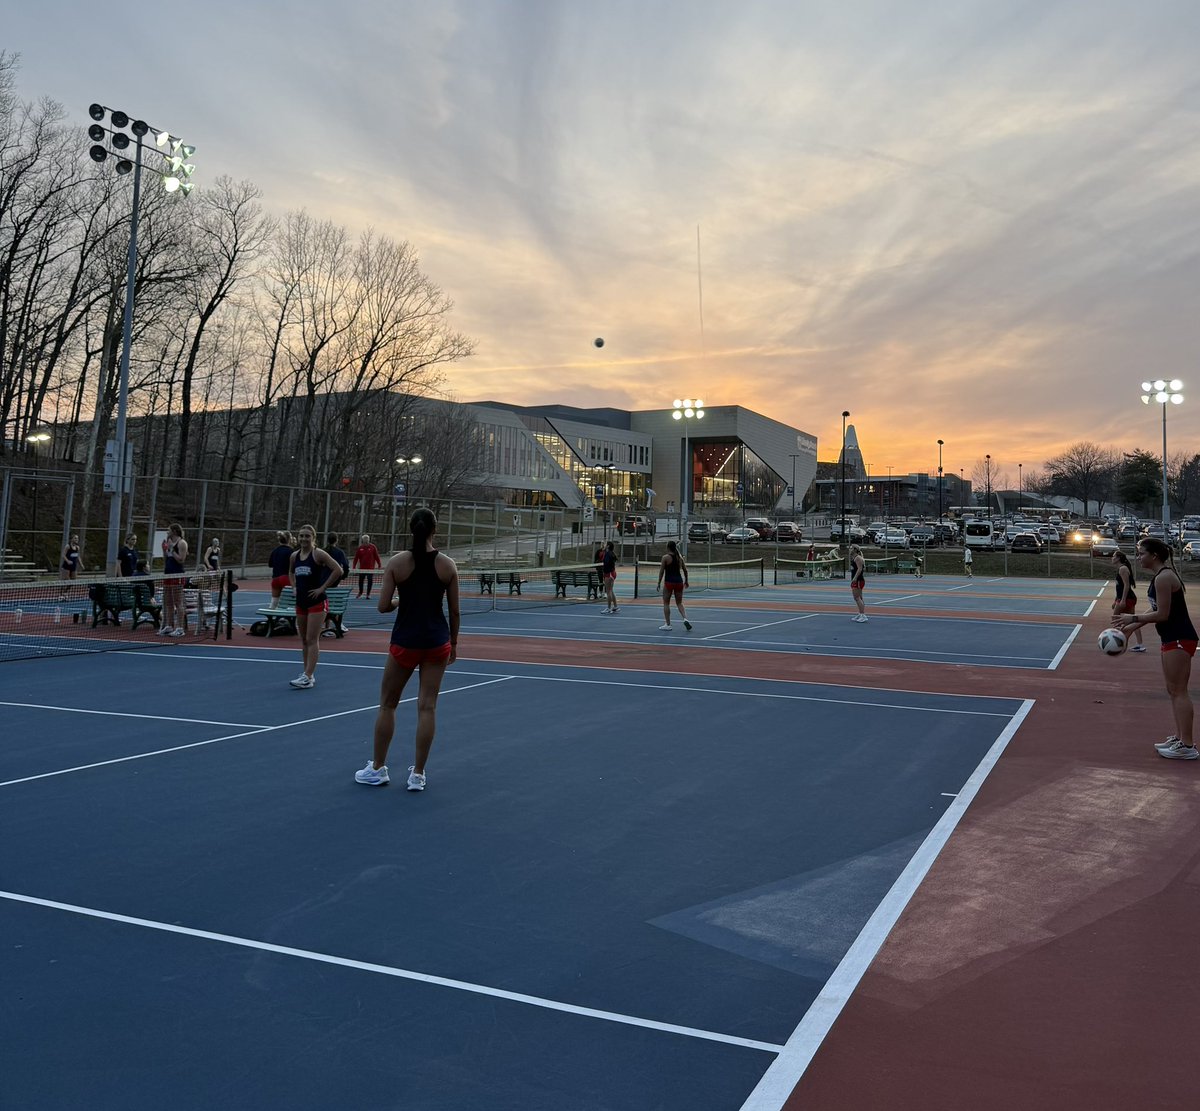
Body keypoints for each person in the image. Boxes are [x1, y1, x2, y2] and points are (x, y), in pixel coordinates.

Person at [355, 508, 460, 790]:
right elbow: (454, 611)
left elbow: (382, 606)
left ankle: (378, 768)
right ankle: (418, 774)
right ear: (435, 530)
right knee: (427, 707)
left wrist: (400, 602)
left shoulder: (397, 563)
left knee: (388, 704)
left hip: (405, 642)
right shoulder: (447, 565)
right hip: (436, 642)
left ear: (411, 529)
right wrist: (454, 643)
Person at [1113, 537, 1198, 760]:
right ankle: (1180, 738)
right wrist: (1130, 628)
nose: (1138, 557)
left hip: (1179, 638)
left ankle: (1187, 745)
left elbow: (1163, 615)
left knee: (1179, 690)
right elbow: (1155, 610)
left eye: (1141, 553)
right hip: (1171, 638)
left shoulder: (1164, 578)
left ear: (1154, 556)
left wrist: (1133, 617)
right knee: (1173, 690)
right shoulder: (1160, 577)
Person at [287, 524, 343, 689]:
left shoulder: (318, 554)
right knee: (304, 639)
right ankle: (307, 674)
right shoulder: (294, 556)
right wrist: (294, 586)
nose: (304, 539)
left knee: (312, 639)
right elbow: (291, 572)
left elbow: (338, 570)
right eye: (301, 536)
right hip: (301, 602)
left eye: (307, 536)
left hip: (317, 602)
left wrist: (322, 588)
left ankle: (308, 675)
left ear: (313, 538)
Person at [1110, 550, 1145, 652]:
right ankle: (1140, 644)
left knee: (1115, 620)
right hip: (1125, 598)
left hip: (1127, 598)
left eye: (1114, 556)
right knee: (1132, 621)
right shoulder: (1121, 568)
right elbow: (1119, 588)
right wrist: (1116, 600)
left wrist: (1123, 600)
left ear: (1118, 558)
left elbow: (1126, 585)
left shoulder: (1123, 569)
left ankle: (1117, 643)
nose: (1112, 558)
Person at [158, 524, 188, 637]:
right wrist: (164, 550)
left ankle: (180, 628)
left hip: (177, 574)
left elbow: (181, 559)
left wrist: (171, 548)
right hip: (168, 574)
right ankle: (169, 625)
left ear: (174, 531)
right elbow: (166, 559)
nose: (167, 532)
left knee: (178, 602)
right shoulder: (168, 541)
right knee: (168, 602)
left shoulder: (182, 543)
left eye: (168, 530)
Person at [656, 540, 692, 631]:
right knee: (679, 603)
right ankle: (685, 618)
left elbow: (661, 571)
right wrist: (686, 581)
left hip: (669, 583)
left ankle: (668, 624)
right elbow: (685, 570)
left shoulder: (665, 558)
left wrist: (659, 582)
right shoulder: (679, 558)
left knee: (666, 603)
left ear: (668, 547)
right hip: (679, 582)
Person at [322, 533, 351, 637]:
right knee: (335, 604)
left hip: (322, 582)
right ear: (336, 540)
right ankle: (338, 624)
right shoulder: (339, 552)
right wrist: (342, 576)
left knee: (325, 603)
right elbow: (346, 566)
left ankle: (327, 627)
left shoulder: (322, 552)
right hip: (333, 583)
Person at [267, 531, 294, 606]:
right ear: (289, 540)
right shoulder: (290, 551)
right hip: (286, 577)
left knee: (274, 601)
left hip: (275, 578)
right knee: (289, 600)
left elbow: (270, 564)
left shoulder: (275, 551)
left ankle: (271, 612)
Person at [352, 533, 382, 598]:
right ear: (363, 540)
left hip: (370, 569)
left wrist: (379, 564)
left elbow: (377, 557)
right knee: (360, 581)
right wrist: (353, 567)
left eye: (367, 540)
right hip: (362, 569)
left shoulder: (373, 547)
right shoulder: (360, 548)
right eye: (365, 540)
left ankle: (368, 594)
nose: (366, 541)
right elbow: (356, 558)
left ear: (369, 540)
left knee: (370, 580)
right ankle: (360, 592)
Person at [849, 544, 867, 622]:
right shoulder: (854, 558)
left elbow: (860, 569)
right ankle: (861, 613)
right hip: (857, 580)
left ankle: (863, 615)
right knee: (859, 598)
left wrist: (855, 578)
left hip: (858, 580)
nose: (850, 549)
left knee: (857, 597)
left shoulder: (858, 558)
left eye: (851, 548)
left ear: (855, 550)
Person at [601, 540, 619, 614]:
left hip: (609, 574)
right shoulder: (610, 553)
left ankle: (609, 608)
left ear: (608, 546)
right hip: (611, 573)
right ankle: (615, 606)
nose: (604, 545)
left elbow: (606, 564)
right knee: (611, 590)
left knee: (608, 591)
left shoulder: (608, 554)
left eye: (605, 544)